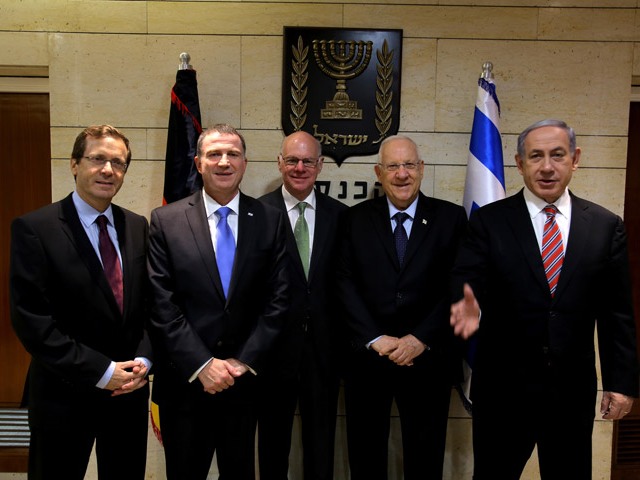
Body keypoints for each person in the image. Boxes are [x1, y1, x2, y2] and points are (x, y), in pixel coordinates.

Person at [450, 119, 640, 479]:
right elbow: (465, 280)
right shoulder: (489, 221)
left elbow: (617, 313)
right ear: (520, 164)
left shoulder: (604, 225)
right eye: (535, 156)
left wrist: (621, 383)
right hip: (503, 392)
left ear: (575, 158)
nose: (547, 166)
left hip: (570, 393)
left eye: (557, 155)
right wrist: (467, 303)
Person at [10, 125, 152, 480]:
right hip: (63, 393)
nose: (108, 170)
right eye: (97, 159)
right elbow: (32, 321)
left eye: (118, 163)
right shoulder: (35, 228)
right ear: (74, 164)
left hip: (127, 395)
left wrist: (144, 361)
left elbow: (150, 306)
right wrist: (103, 372)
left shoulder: (137, 226)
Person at [147, 123, 289, 480]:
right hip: (186, 382)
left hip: (245, 383)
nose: (224, 161)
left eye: (233, 154)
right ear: (198, 163)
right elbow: (162, 303)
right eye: (214, 154)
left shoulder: (271, 220)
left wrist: (242, 361)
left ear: (245, 163)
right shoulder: (166, 220)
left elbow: (279, 298)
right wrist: (202, 364)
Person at [336, 135, 467, 479]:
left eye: (409, 164)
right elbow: (343, 283)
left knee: (425, 458)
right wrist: (374, 337)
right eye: (393, 166)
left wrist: (419, 338)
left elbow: (458, 288)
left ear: (421, 169)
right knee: (365, 457)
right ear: (379, 173)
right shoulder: (354, 220)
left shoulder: (451, 219)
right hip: (368, 360)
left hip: (428, 360)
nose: (402, 174)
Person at [258, 131, 347, 480]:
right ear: (279, 163)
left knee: (321, 445)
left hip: (325, 351)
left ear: (320, 165)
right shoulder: (257, 213)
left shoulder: (341, 216)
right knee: (271, 444)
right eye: (292, 160)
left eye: (308, 161)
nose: (299, 167)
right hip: (272, 351)